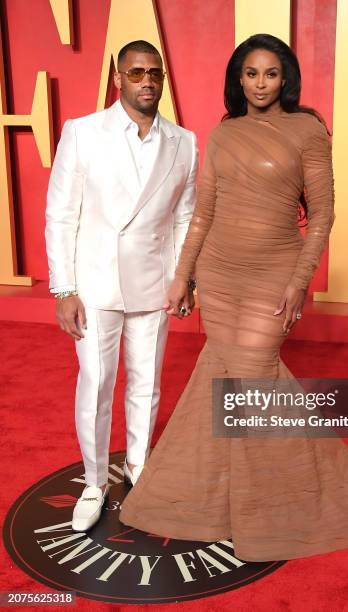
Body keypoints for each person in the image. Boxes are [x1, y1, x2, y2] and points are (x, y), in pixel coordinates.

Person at [119, 34, 348, 561]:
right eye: (251, 73)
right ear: (238, 79)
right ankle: (223, 502)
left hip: (274, 272)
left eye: (270, 73)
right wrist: (183, 277)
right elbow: (203, 213)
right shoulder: (224, 134)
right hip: (219, 274)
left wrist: (298, 282)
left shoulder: (308, 131)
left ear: (285, 78)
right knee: (231, 383)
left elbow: (323, 214)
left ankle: (294, 504)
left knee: (251, 376)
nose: (261, 83)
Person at [45, 40, 198, 532]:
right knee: (96, 386)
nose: (147, 81)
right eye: (136, 73)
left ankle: (138, 466)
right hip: (93, 285)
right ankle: (94, 482)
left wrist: (182, 278)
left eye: (154, 73)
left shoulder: (186, 142)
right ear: (118, 78)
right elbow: (61, 214)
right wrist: (63, 288)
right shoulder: (82, 132)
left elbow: (184, 218)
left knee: (147, 385)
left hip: (154, 285)